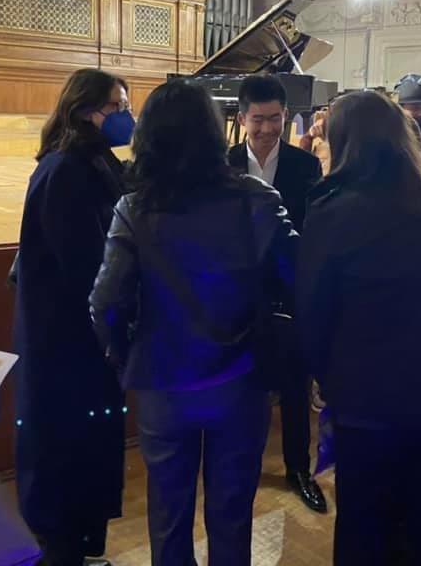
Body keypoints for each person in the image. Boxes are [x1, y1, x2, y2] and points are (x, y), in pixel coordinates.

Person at [90, 79, 298, 565]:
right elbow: (297, 278)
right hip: (241, 378)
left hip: (163, 381)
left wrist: (124, 355)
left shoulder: (134, 207)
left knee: (168, 514)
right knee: (232, 514)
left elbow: (105, 303)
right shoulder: (258, 198)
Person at [298, 90, 421, 566]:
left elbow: (313, 313)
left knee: (366, 531)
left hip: (368, 403)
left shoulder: (331, 214)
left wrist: (324, 378)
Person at [13, 68, 132, 566]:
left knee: (90, 451)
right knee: (64, 456)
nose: (126, 117)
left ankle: (85, 550)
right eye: (117, 107)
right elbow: (86, 264)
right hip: (64, 342)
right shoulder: (64, 169)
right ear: (85, 110)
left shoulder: (96, 159)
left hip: (87, 340)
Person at [227, 75, 327, 514]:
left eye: (275, 118)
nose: (267, 128)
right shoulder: (224, 163)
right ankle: (238, 465)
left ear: (286, 116)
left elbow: (312, 228)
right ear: (241, 119)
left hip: (289, 289)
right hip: (237, 292)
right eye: (258, 119)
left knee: (294, 384)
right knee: (240, 385)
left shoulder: (305, 166)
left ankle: (298, 469)